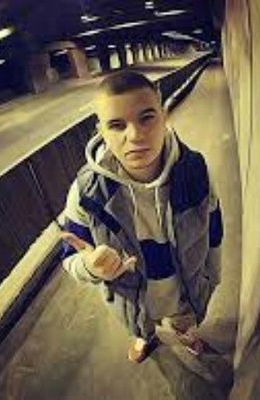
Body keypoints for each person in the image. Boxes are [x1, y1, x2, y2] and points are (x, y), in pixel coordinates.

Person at [60, 70, 223, 363]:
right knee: (139, 321)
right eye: (116, 125)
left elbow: (213, 227)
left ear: (164, 116)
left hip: (184, 288)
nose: (135, 135)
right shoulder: (86, 193)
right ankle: (144, 336)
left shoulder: (195, 170)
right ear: (101, 131)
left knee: (184, 320)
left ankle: (185, 334)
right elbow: (70, 257)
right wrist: (91, 268)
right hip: (134, 298)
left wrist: (214, 275)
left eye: (146, 117)